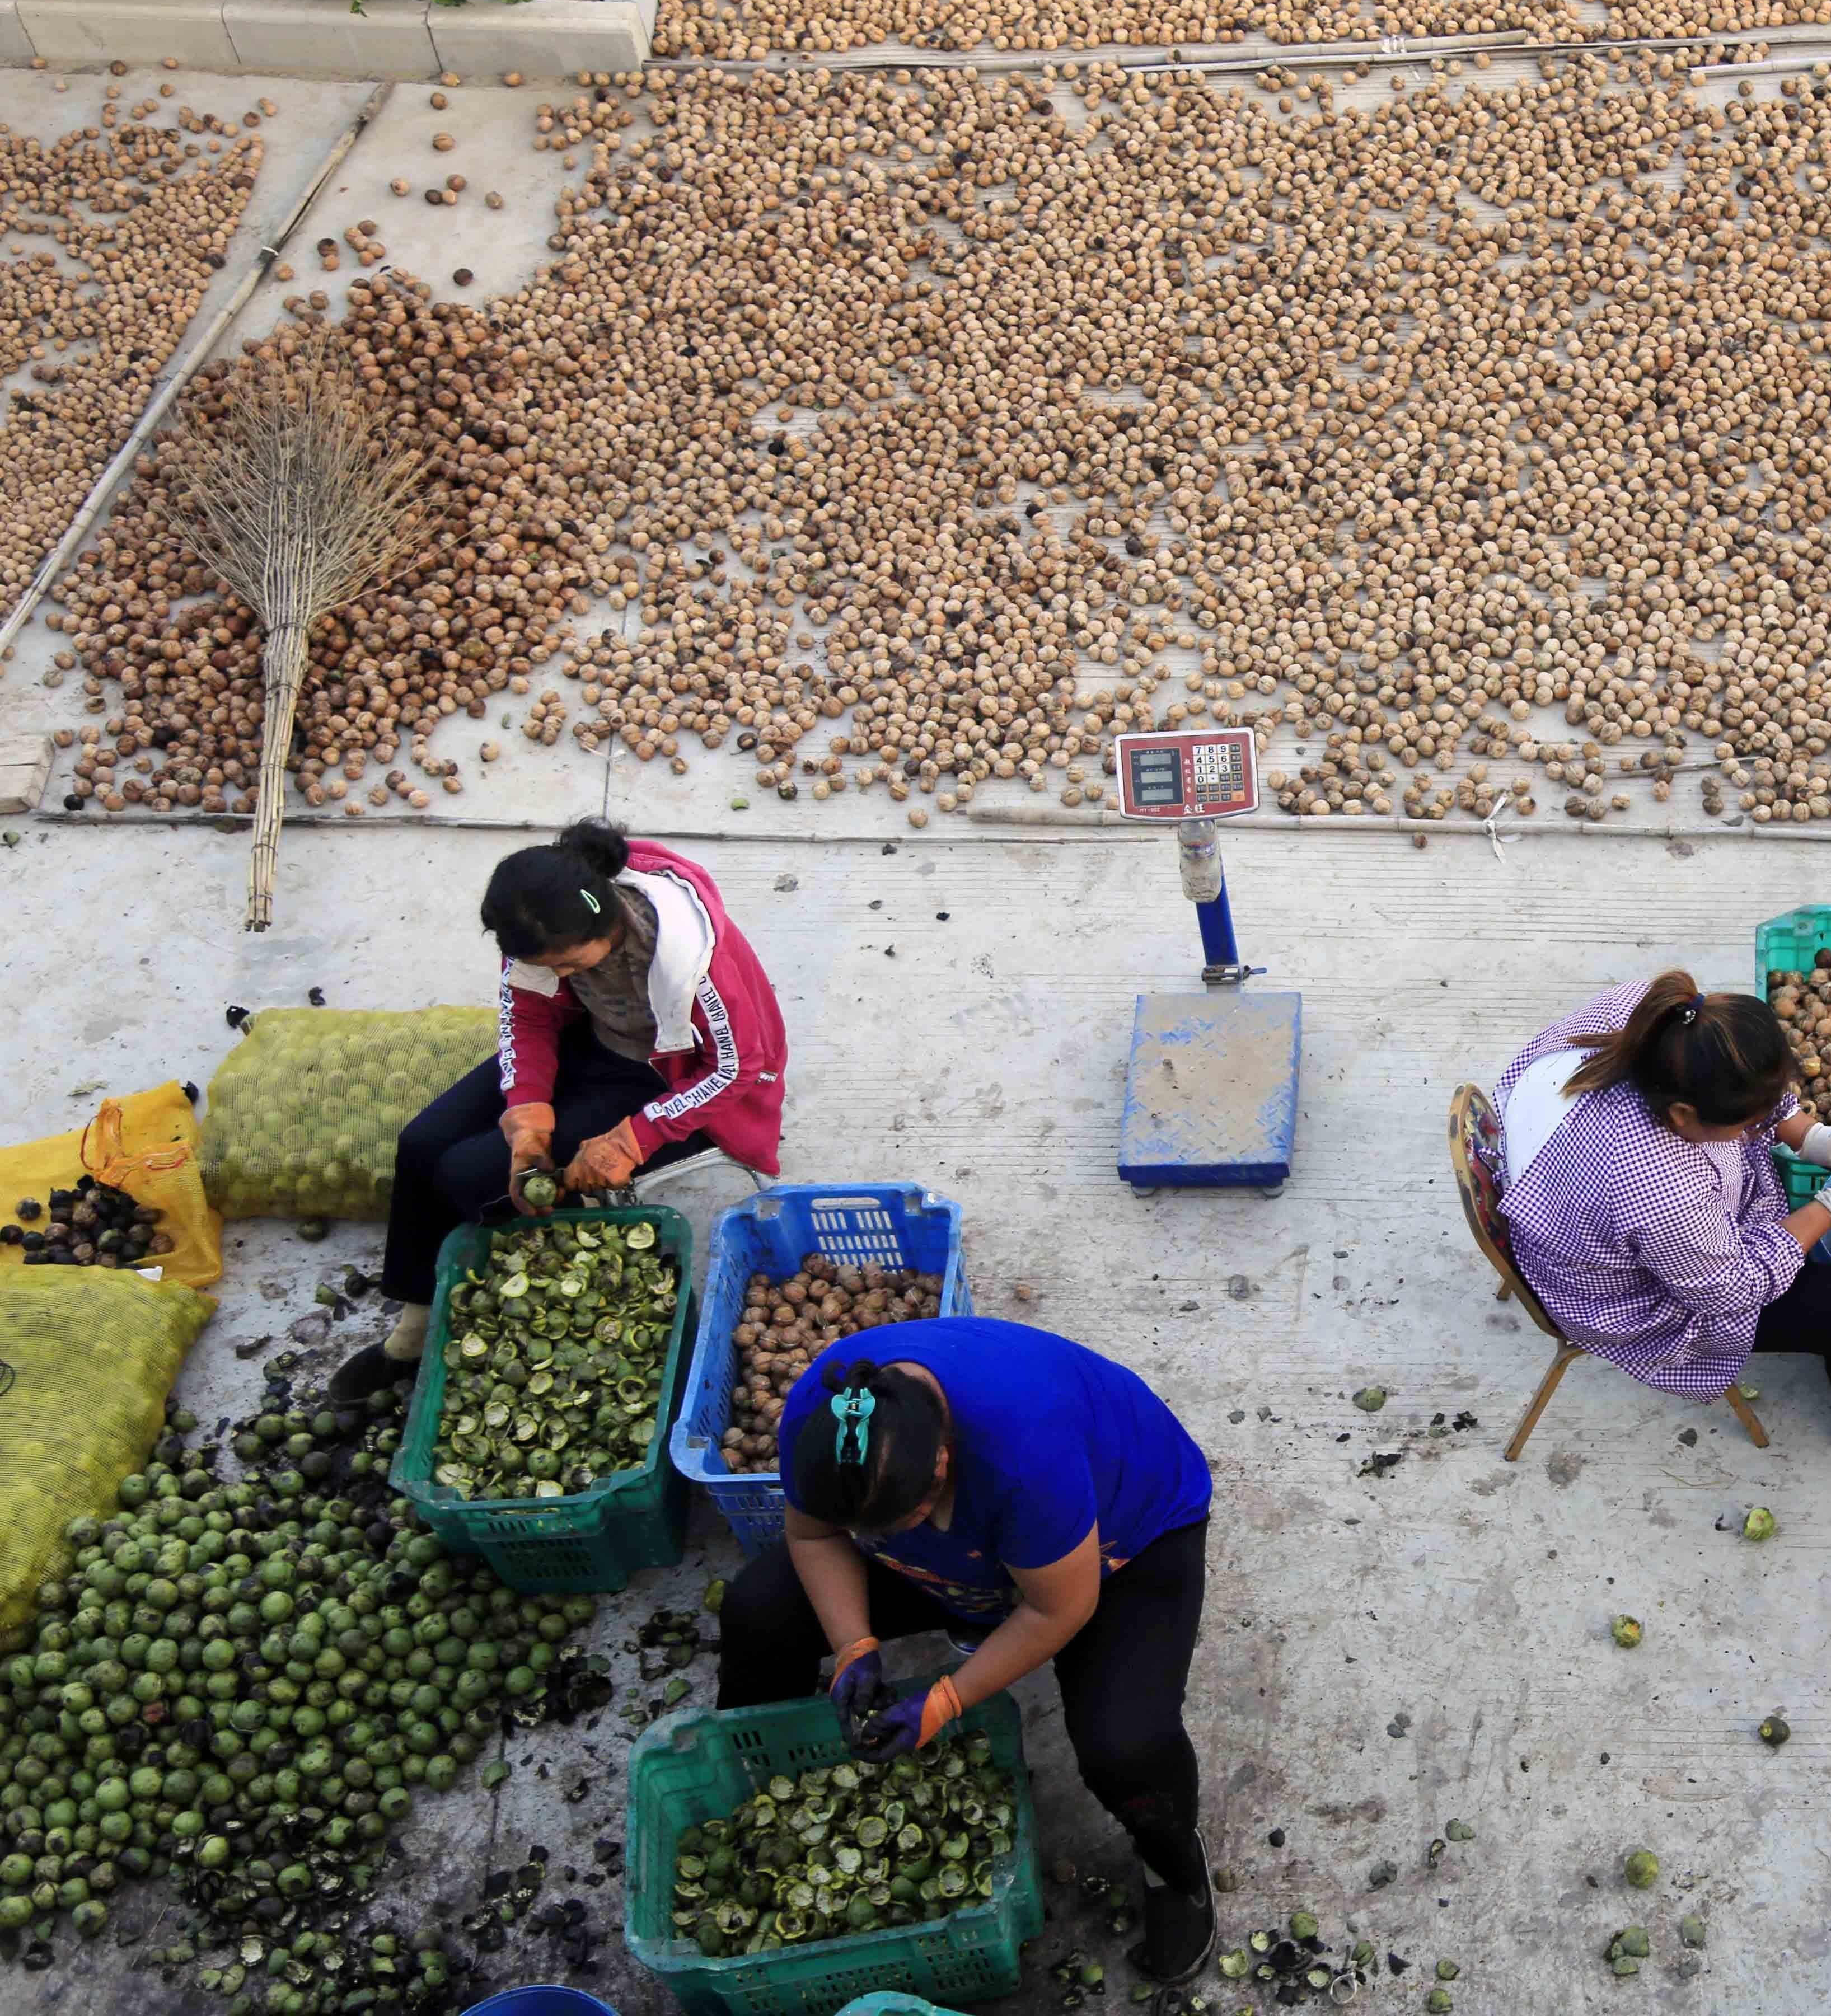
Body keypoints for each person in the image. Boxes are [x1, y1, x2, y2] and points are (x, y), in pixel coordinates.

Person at [715, 1320, 1220, 1981]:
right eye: (860, 1529)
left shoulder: (1023, 1452)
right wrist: (852, 1644)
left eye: (889, 1528)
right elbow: (815, 1540)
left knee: (1123, 1744)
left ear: (943, 1468)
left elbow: (1057, 1608)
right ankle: (753, 1785)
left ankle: (1175, 1868)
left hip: (1119, 1543)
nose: (867, 1540)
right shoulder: (829, 1411)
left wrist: (948, 1698)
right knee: (758, 1610)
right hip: (974, 1557)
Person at [330, 818, 787, 1401]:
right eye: (552, 968)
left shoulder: (691, 959)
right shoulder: (540, 932)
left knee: (469, 1176)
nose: (562, 976)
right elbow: (527, 1016)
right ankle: (413, 1326)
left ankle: (523, 1304)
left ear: (607, 922)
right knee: (422, 1144)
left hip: (670, 1082)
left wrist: (632, 1141)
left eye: (571, 965)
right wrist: (528, 1117)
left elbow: (737, 1068)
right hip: (593, 1042)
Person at [1493, 973, 1831, 1465]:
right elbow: (1732, 1288)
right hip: (1621, 1293)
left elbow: (1743, 1077)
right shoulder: (1656, 1188)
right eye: (1742, 1122)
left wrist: (1807, 1133)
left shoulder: (1665, 1020)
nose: (1753, 1127)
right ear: (1681, 1116)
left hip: (1552, 1187)